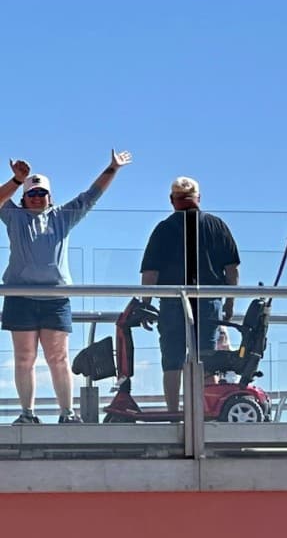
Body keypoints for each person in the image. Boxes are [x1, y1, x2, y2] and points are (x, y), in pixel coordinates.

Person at [0, 152, 132, 424]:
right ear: (24, 198)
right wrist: (16, 180)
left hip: (55, 299)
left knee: (58, 357)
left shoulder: (62, 217)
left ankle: (67, 413)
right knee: (24, 358)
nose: (36, 197)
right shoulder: (14, 216)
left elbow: (91, 195)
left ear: (50, 197)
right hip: (19, 297)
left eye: (42, 193)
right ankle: (27, 414)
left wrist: (113, 168)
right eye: (31, 192)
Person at [140, 177, 240, 413]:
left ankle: (174, 412)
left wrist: (145, 304)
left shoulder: (164, 228)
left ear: (172, 200)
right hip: (208, 301)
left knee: (172, 359)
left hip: (173, 300)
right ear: (198, 198)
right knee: (206, 359)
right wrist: (229, 303)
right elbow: (231, 270)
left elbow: (150, 272)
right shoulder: (216, 226)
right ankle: (203, 411)